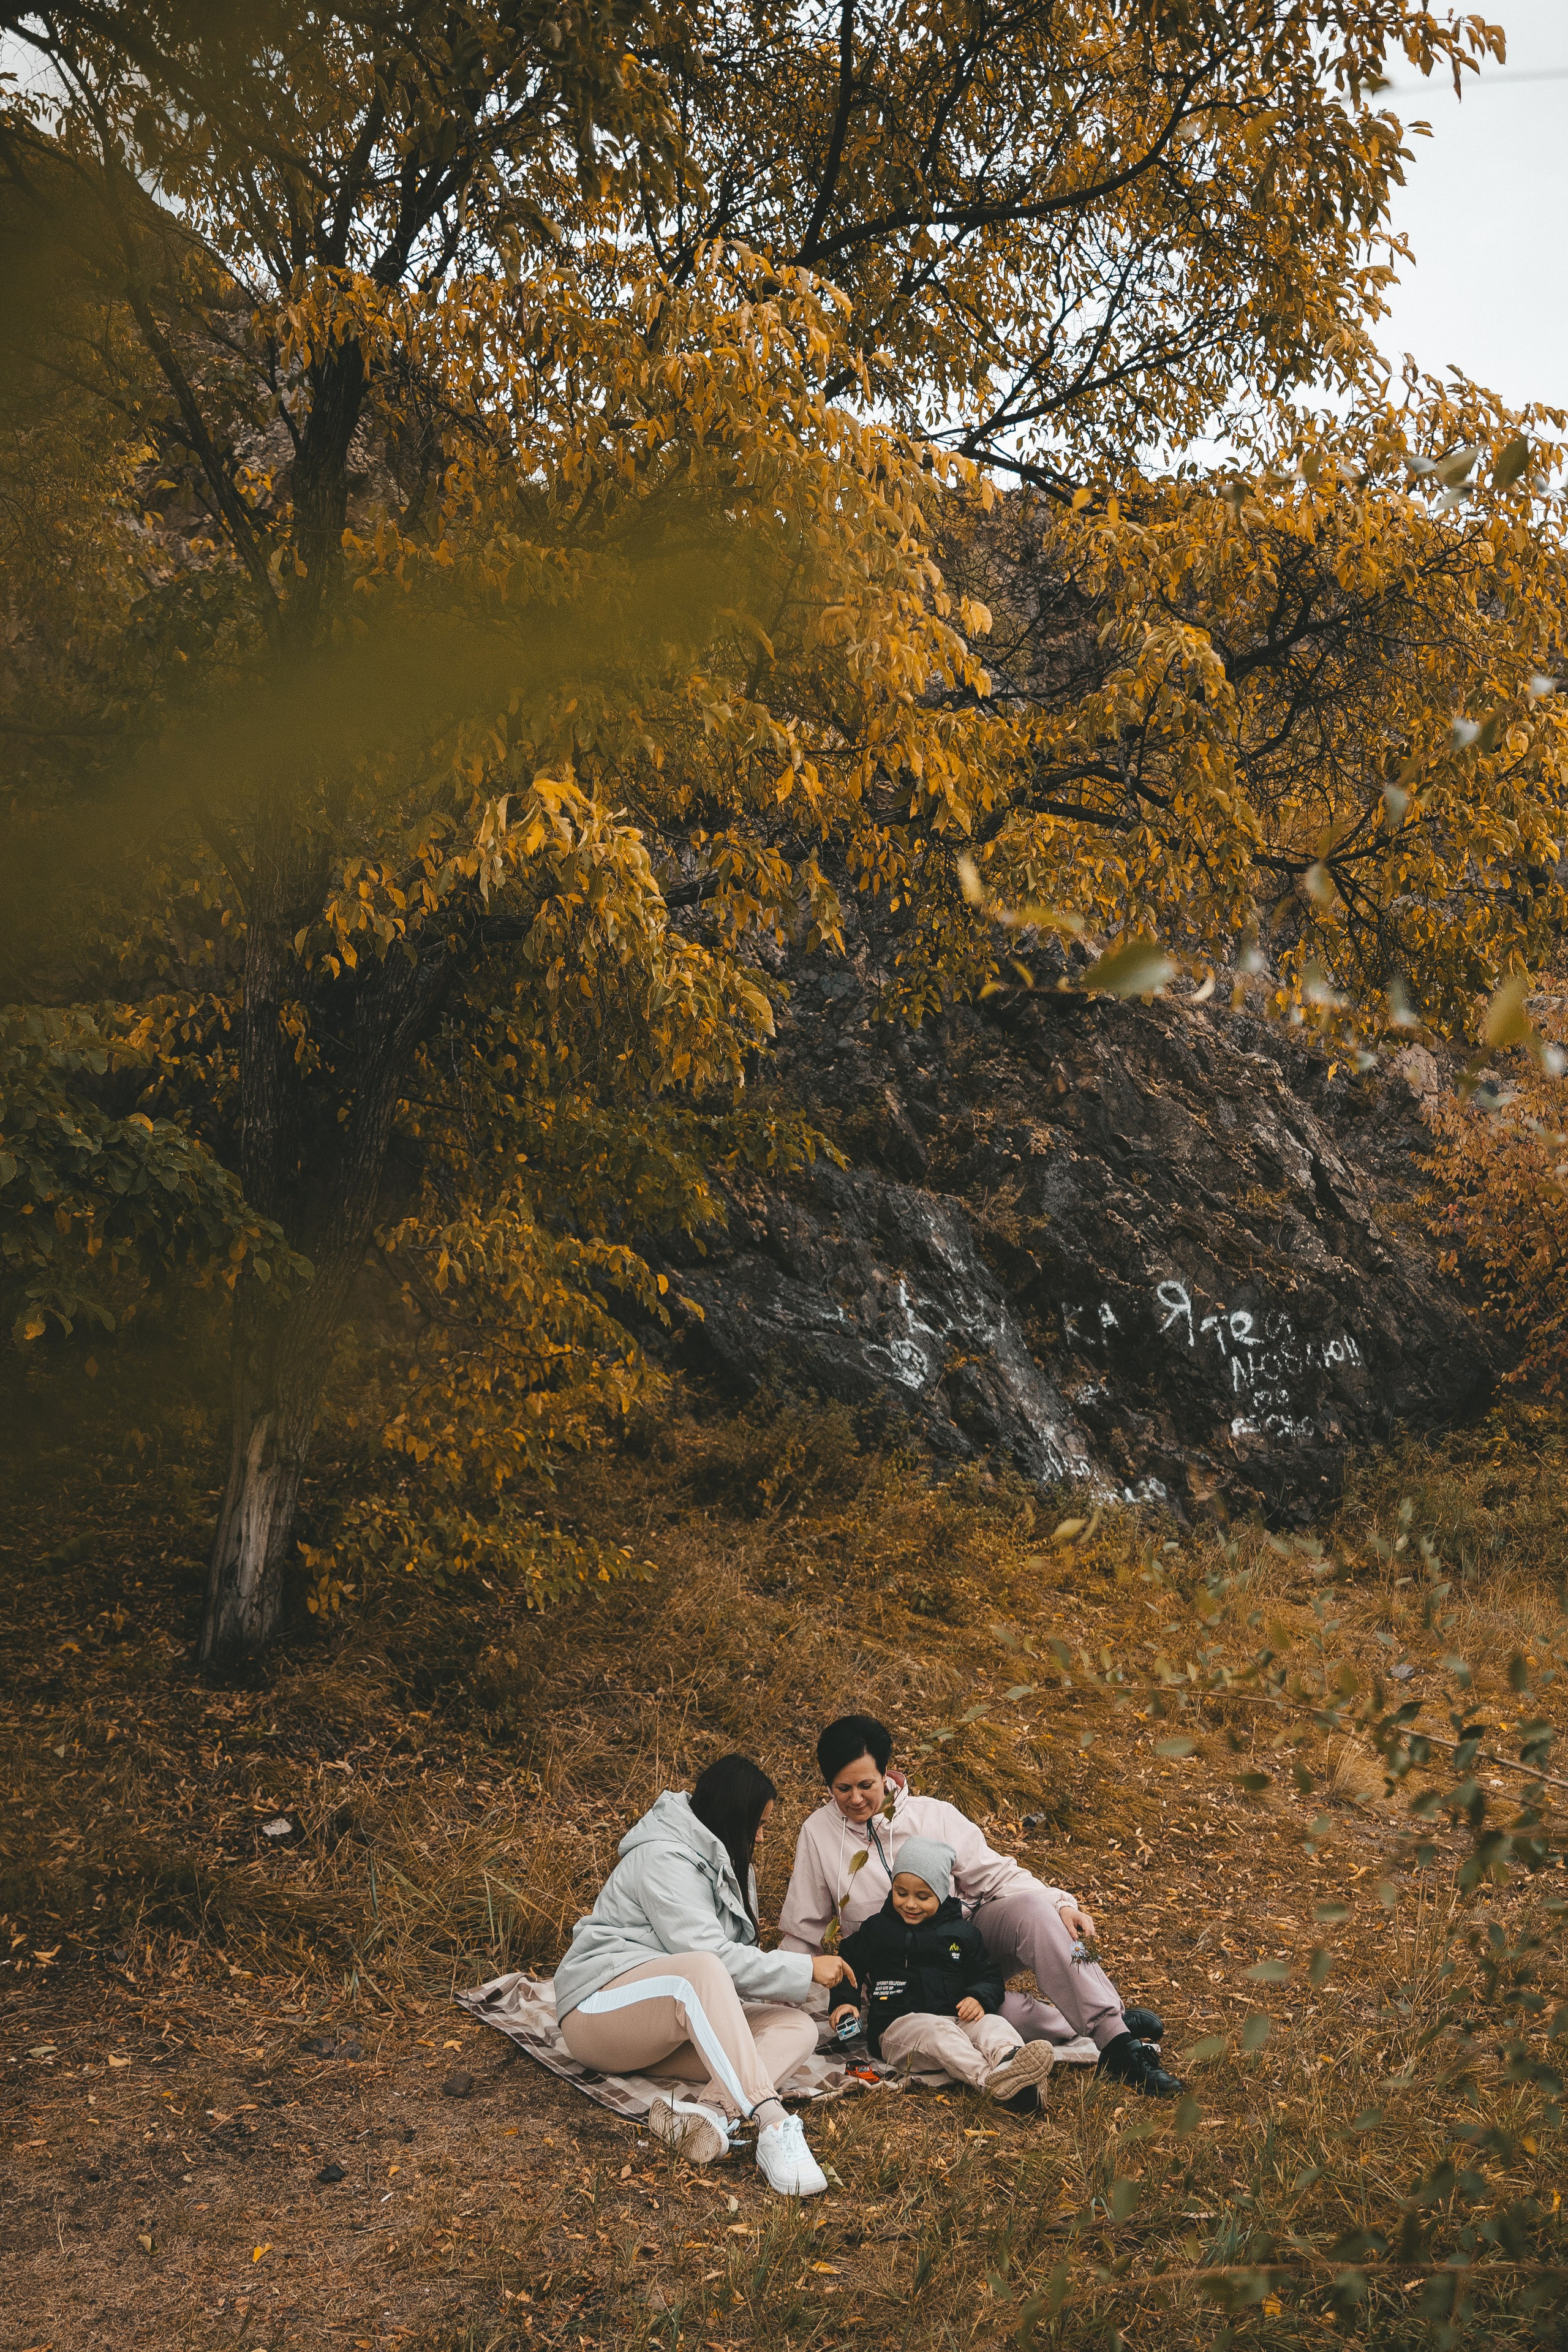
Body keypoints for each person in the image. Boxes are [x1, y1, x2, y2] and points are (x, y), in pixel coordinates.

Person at [779, 1713, 1182, 2099]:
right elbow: (803, 1929)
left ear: (885, 1773)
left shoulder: (935, 1817)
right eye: (841, 1788)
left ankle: (1115, 2043)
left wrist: (1061, 1904)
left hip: (965, 1946)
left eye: (865, 1785)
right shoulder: (819, 1834)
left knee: (1036, 1913)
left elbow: (997, 1876)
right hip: (899, 1978)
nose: (854, 1799)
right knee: (1000, 2017)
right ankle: (1097, 2024)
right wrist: (775, 2002)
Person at [553, 1754, 855, 2195]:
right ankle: (772, 2124)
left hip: (660, 2034)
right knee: (700, 1968)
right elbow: (711, 1959)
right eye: (759, 1823)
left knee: (795, 2028)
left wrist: (781, 1983)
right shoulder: (663, 1859)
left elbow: (731, 1963)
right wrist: (805, 1967)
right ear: (735, 1816)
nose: (760, 1836)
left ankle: (707, 2117)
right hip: (597, 2012)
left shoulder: (730, 1863)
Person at [829, 1837, 1058, 2111]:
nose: (910, 1904)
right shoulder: (878, 1929)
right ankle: (994, 2083)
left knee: (993, 2025)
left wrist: (978, 1996)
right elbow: (847, 1963)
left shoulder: (963, 1933)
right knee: (940, 2035)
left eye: (923, 1897)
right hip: (897, 2026)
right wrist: (846, 2001)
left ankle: (1010, 2058)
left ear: (940, 1892)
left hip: (957, 2016)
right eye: (901, 1893)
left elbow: (988, 1975)